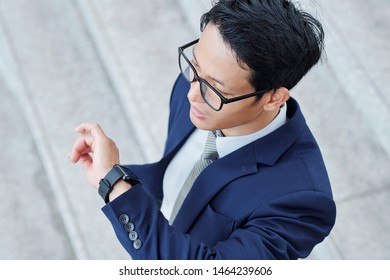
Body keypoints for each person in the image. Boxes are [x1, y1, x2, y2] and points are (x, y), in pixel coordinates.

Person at [69, 0, 336, 259]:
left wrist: (114, 184)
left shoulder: (302, 200)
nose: (193, 94)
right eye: (195, 66)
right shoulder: (193, 87)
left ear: (273, 98)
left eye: (216, 89)